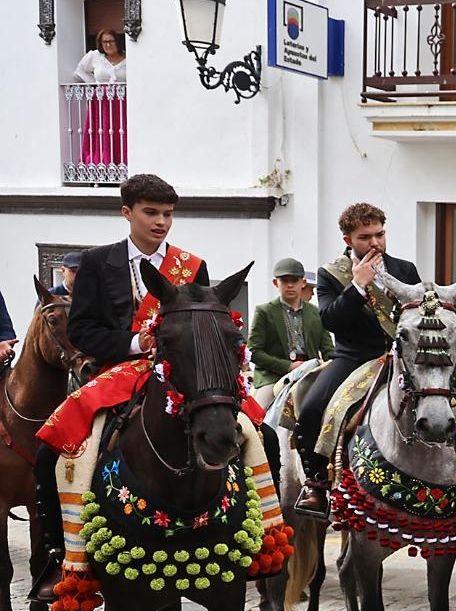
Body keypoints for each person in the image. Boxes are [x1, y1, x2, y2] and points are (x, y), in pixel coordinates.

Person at [31, 174, 235, 581]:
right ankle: (62, 555)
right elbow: (83, 330)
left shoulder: (192, 266)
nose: (161, 222)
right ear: (127, 213)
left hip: (182, 375)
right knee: (52, 451)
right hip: (119, 370)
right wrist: (134, 343)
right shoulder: (95, 263)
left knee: (253, 430)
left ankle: (256, 535)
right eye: (151, 212)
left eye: (168, 214)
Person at [292, 202, 422, 519]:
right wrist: (358, 285)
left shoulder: (404, 269)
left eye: (380, 234)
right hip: (354, 357)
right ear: (348, 239)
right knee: (310, 408)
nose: (375, 243)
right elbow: (330, 320)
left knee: (452, 407)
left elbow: (421, 313)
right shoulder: (331, 274)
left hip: (403, 357)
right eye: (365, 237)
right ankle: (316, 484)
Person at [248, 258, 331, 389]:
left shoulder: (316, 313)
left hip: (311, 374)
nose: (290, 285)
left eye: (294, 280)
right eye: (285, 280)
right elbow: (253, 351)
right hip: (273, 377)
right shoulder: (264, 311)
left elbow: (328, 350)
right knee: (262, 406)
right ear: (275, 283)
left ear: (303, 283)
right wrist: (288, 366)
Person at [74, 30, 127, 169]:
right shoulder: (95, 56)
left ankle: (123, 163)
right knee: (102, 131)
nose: (108, 45)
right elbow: (80, 71)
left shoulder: (128, 57)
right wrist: (96, 84)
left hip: (123, 102)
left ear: (118, 42)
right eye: (104, 42)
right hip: (101, 103)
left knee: (121, 131)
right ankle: (101, 164)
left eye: (111, 41)